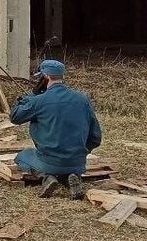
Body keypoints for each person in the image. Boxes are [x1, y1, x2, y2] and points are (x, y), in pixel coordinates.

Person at [9, 60, 102, 200]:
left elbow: (15, 117)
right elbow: (95, 137)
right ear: (62, 76)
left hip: (49, 161)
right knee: (65, 166)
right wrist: (81, 152)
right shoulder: (83, 99)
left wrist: (28, 98)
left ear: (45, 77)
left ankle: (47, 177)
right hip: (77, 163)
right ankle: (70, 177)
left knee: (22, 157)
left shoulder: (38, 101)